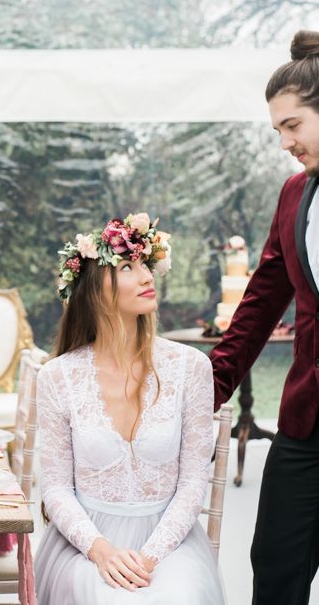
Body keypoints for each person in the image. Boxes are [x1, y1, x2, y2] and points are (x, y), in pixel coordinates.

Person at [35, 213, 225, 604]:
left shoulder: (191, 367)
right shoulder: (58, 377)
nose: (146, 277)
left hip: (170, 544)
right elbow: (55, 487)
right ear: (92, 289)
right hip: (86, 544)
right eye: (127, 267)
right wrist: (101, 551)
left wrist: (150, 557)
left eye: (146, 266)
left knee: (179, 596)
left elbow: (192, 484)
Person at [211, 29, 319, 605]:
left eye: (293, 125)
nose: (284, 141)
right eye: (277, 129)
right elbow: (260, 302)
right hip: (307, 418)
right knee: (275, 563)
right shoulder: (293, 195)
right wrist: (209, 384)